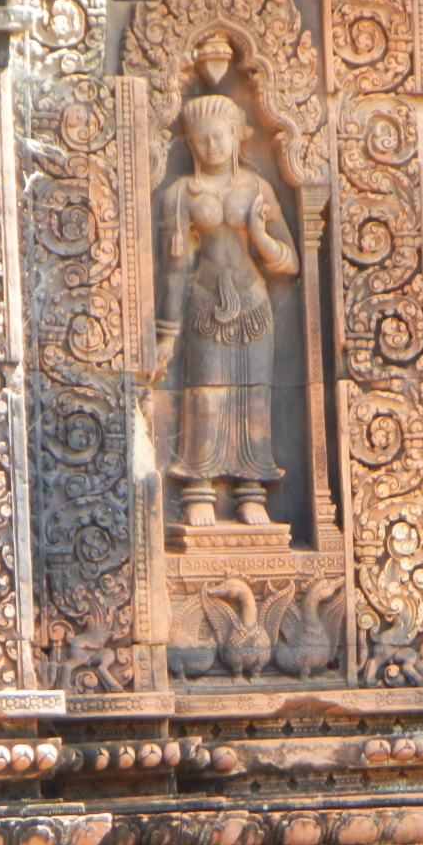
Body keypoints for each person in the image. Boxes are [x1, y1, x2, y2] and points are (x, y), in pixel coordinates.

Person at [155, 95, 299, 528]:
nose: (212, 146)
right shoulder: (180, 194)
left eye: (219, 136)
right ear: (190, 143)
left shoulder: (257, 188)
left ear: (236, 135)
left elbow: (290, 261)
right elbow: (175, 269)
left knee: (254, 396)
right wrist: (167, 333)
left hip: (253, 301)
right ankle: (199, 488)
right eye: (201, 139)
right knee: (204, 395)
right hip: (204, 302)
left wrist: (259, 233)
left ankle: (250, 491)